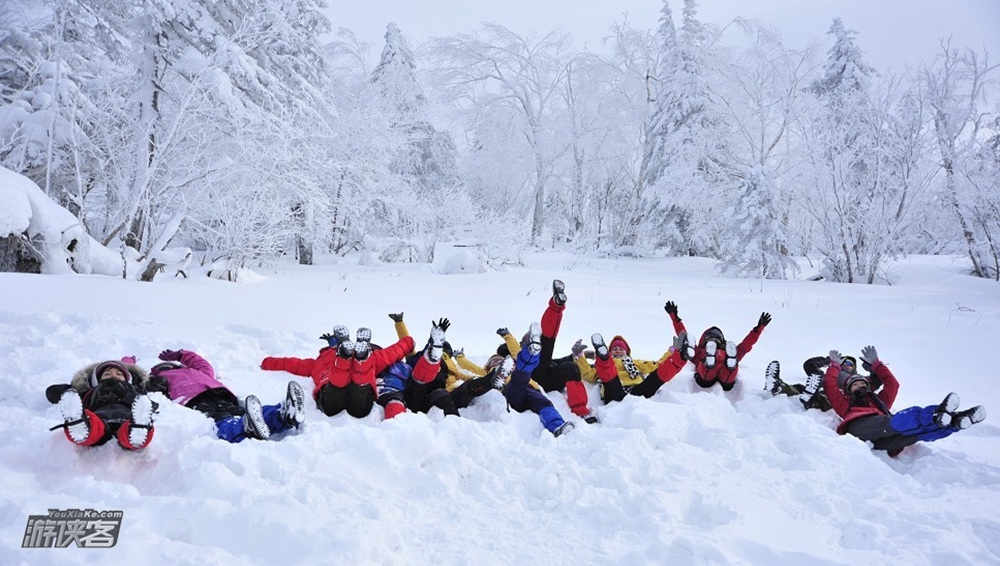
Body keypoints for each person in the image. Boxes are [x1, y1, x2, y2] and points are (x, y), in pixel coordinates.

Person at [824, 346, 986, 456]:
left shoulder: (879, 401)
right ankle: (935, 414)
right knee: (896, 420)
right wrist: (834, 366)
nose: (860, 385)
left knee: (915, 433)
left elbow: (892, 384)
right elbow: (829, 385)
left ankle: (957, 422)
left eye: (863, 383)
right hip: (859, 429)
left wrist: (877, 365)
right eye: (855, 384)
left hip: (881, 441)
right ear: (848, 390)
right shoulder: (845, 404)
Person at [261, 322, 415, 419]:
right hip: (360, 404)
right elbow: (393, 352)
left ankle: (344, 360)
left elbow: (292, 364)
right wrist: (408, 342)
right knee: (362, 378)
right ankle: (360, 360)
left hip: (330, 401)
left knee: (337, 381)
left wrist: (267, 362)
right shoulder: (375, 357)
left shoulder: (317, 362)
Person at [146, 349, 305, 442]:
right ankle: (245, 428)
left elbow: (203, 364)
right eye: (163, 367)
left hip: (220, 394)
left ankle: (283, 415)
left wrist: (182, 355)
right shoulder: (159, 381)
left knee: (247, 412)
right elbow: (136, 383)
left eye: (170, 365)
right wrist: (129, 364)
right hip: (194, 401)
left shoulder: (197, 372)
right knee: (223, 419)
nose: (168, 368)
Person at [498, 280, 597, 423]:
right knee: (546, 344)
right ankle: (556, 307)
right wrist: (508, 337)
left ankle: (581, 412)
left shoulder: (541, 356)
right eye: (529, 342)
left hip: (545, 377)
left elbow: (557, 362)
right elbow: (512, 348)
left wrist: (580, 356)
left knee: (570, 368)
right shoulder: (514, 356)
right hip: (528, 378)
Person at [45, 357, 156, 451]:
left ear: (128, 379)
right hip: (98, 418)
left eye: (119, 374)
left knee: (129, 430)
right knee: (93, 426)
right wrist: (67, 393)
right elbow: (53, 392)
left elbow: (154, 396)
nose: (114, 376)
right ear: (96, 380)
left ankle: (139, 428)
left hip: (128, 418)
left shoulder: (135, 390)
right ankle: (79, 425)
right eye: (107, 374)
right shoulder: (87, 391)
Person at [665, 301, 770, 391]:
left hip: (704, 379)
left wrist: (675, 317)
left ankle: (710, 364)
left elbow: (684, 337)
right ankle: (730, 366)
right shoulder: (724, 351)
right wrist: (758, 328)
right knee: (729, 374)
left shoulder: (698, 352)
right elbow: (746, 345)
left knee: (706, 371)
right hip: (727, 382)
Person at [499, 323, 575, 437]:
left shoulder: (515, 360)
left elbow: (515, 349)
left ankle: (557, 427)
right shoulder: (492, 373)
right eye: (493, 361)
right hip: (513, 390)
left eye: (498, 360)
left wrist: (508, 336)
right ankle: (532, 352)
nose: (496, 362)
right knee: (519, 377)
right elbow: (472, 372)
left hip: (531, 388)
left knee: (544, 403)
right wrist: (461, 358)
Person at [577, 329, 689, 404]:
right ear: (610, 352)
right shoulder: (601, 366)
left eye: (621, 349)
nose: (618, 351)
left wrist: (672, 352)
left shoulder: (635, 363)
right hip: (614, 392)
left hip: (636, 391)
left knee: (656, 378)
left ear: (627, 352)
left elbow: (657, 366)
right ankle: (604, 359)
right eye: (615, 349)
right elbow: (589, 375)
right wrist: (580, 356)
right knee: (609, 374)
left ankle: (680, 357)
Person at [764, 354, 884, 412]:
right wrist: (827, 361)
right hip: (818, 388)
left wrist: (872, 368)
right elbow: (809, 365)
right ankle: (778, 386)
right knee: (800, 388)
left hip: (837, 397)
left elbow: (878, 380)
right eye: (843, 363)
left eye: (849, 364)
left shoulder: (860, 381)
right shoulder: (829, 374)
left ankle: (811, 400)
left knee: (825, 400)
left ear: (854, 368)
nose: (846, 365)